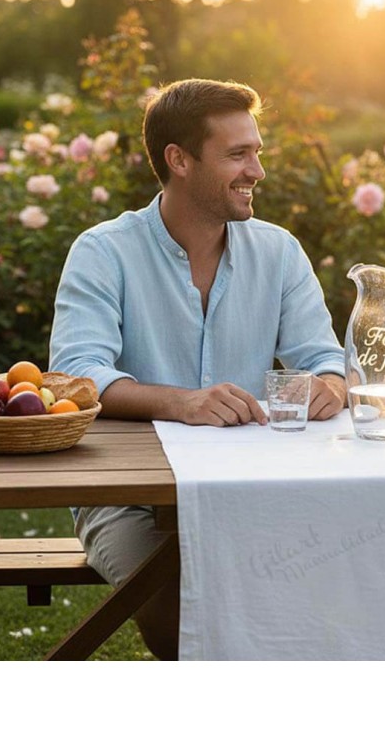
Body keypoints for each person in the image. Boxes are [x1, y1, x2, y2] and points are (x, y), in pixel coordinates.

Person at [49, 78, 347, 659]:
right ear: (178, 160)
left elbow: (324, 359)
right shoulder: (104, 251)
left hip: (256, 489)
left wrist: (329, 385)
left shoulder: (279, 251)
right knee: (189, 618)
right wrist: (180, 402)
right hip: (128, 497)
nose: (257, 170)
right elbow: (78, 374)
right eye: (238, 154)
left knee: (331, 594)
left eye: (257, 152)